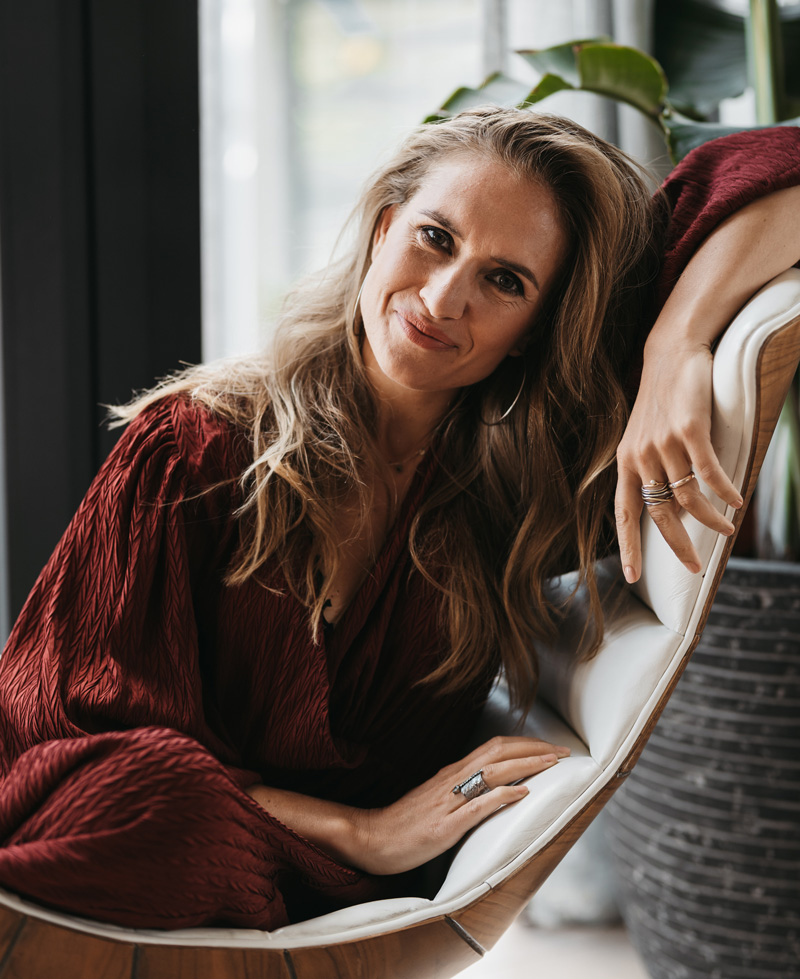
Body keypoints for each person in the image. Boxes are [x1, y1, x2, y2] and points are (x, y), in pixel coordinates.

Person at [0, 108, 798, 931]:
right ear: (383, 229)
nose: (443, 298)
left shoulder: (525, 495)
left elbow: (782, 159)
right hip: (133, 833)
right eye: (435, 237)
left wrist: (676, 343)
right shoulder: (193, 446)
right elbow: (63, 734)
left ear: (533, 332)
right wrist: (365, 832)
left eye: (505, 281)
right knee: (159, 795)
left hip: (323, 894)